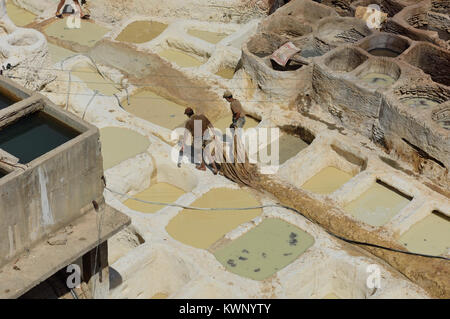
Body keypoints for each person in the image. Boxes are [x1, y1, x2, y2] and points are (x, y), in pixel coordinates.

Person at [181, 107, 219, 174]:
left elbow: (186, 134)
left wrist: (183, 144)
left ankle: (203, 166)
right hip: (206, 137)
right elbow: (210, 125)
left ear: (187, 114)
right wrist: (214, 134)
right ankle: (215, 169)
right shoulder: (202, 116)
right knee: (207, 153)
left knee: (199, 153)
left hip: (197, 138)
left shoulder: (189, 121)